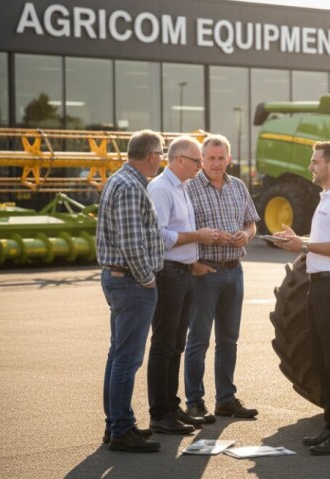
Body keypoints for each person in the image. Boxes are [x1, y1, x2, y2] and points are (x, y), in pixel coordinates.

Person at [274, 141, 330, 456]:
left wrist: (305, 246)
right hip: (321, 285)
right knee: (321, 359)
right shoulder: (329, 197)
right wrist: (299, 241)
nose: (310, 167)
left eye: (315, 162)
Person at [183, 134, 260, 422]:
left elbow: (251, 223)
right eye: (210, 158)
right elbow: (181, 229)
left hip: (234, 271)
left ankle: (225, 399)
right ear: (202, 160)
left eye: (221, 158)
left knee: (228, 340)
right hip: (205, 272)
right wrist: (193, 265)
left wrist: (246, 235)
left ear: (229, 159)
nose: (216, 163)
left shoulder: (238, 186)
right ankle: (194, 402)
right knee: (199, 340)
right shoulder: (189, 188)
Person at [97, 129, 165, 452]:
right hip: (131, 281)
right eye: (161, 154)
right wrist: (147, 278)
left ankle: (116, 424)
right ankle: (121, 429)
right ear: (151, 156)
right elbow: (130, 243)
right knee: (127, 357)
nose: (162, 160)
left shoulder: (122, 181)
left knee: (118, 354)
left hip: (121, 279)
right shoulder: (130, 186)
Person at [146, 136, 218, 435]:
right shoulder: (161, 189)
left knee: (176, 344)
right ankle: (159, 413)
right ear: (177, 160)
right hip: (169, 272)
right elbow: (159, 235)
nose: (201, 166)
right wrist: (197, 236)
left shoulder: (183, 187)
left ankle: (170, 405)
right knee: (164, 344)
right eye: (196, 160)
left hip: (184, 273)